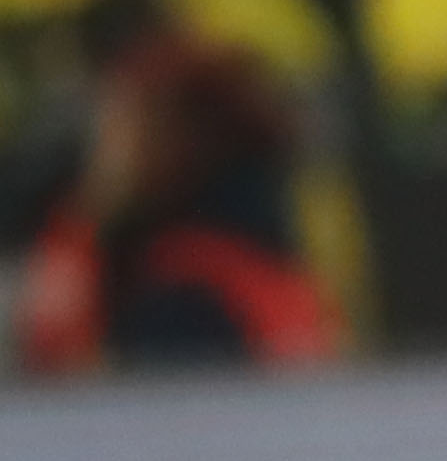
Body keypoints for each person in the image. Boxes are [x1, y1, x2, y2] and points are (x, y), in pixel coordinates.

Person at [13, 33, 340, 373]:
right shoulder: (263, 253)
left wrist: (81, 225)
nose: (103, 152)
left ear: (174, 139)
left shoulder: (182, 292)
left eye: (117, 127)